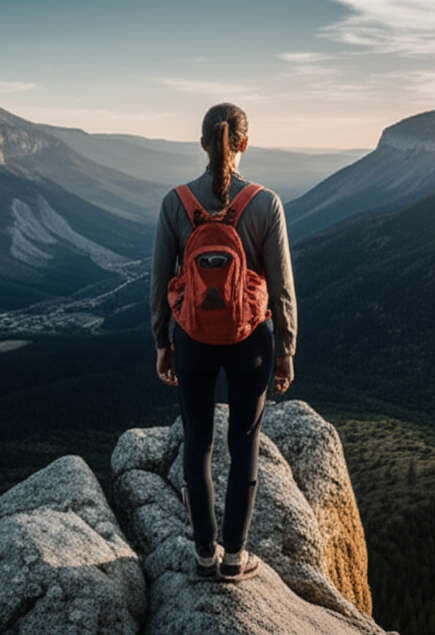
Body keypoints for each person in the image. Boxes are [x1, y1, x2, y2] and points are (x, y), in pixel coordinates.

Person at [150, 103, 297, 581]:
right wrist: (286, 349)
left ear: (203, 144)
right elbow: (281, 286)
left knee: (198, 444)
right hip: (250, 343)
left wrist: (162, 342)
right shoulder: (265, 203)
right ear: (244, 144)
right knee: (244, 444)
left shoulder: (175, 203)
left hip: (191, 340)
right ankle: (235, 558)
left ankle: (203, 556)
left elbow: (158, 281)